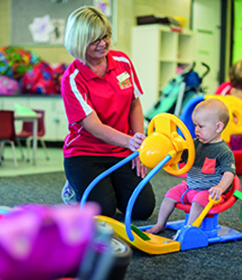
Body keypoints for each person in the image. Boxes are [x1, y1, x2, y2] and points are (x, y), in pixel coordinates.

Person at [60, 6, 155, 219]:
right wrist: (131, 142)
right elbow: (93, 126)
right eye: (95, 40)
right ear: (80, 41)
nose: (103, 44)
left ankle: (107, 185)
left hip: (121, 150)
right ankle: (75, 189)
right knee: (102, 212)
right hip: (86, 154)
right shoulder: (72, 79)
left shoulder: (122, 62)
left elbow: (134, 104)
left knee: (143, 209)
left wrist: (138, 145)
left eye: (106, 36)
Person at [146, 98, 235, 234]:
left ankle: (188, 231)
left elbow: (229, 173)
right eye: (195, 125)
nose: (196, 130)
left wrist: (220, 188)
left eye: (201, 126)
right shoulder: (193, 144)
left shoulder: (224, 151)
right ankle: (160, 224)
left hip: (210, 193)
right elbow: (178, 157)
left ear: (218, 127)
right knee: (170, 194)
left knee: (199, 201)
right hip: (189, 187)